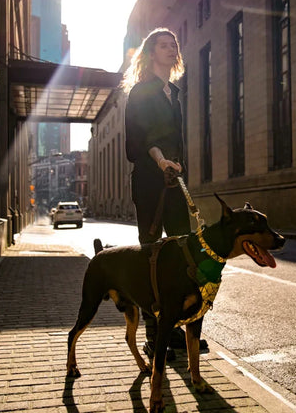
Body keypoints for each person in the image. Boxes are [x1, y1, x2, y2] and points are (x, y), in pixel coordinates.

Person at [122, 28, 194, 360]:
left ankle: (174, 329)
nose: (170, 49)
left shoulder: (173, 93)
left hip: (174, 181)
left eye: (173, 45)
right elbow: (137, 140)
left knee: (182, 251)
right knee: (151, 254)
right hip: (151, 183)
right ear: (151, 53)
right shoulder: (140, 91)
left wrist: (176, 165)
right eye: (163, 45)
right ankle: (154, 336)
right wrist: (160, 159)